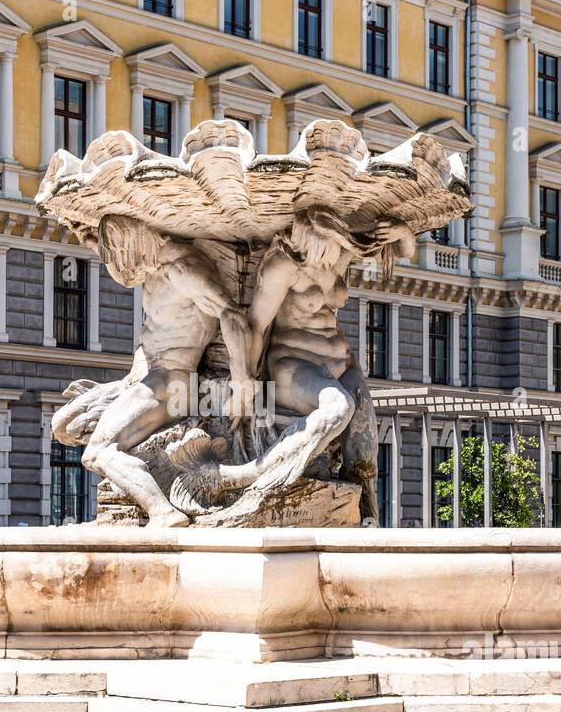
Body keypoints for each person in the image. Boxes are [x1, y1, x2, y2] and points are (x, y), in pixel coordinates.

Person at [180, 207, 416, 523]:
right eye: (321, 256)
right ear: (306, 242)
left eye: (332, 255)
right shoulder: (283, 265)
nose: (328, 263)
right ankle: (244, 476)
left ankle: (364, 515)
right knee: (338, 409)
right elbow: (259, 325)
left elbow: (403, 252)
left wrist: (403, 232)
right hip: (293, 364)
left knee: (364, 450)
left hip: (342, 363)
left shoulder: (340, 253)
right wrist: (245, 381)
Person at [70, 214, 254, 527]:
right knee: (64, 426)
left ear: (129, 244)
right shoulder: (154, 266)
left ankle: (162, 512)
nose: (114, 265)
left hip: (169, 380)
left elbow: (232, 315)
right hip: (145, 376)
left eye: (113, 254)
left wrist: (242, 382)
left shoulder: (181, 267)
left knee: (97, 452)